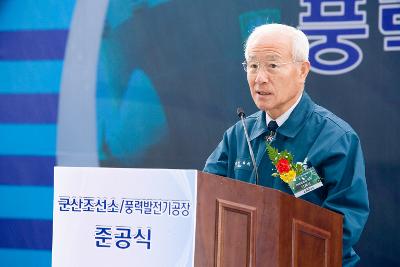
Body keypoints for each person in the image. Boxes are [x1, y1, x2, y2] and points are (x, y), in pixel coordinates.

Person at [203, 23, 369, 266]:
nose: (260, 78)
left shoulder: (336, 138)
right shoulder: (238, 134)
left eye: (272, 65)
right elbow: (206, 200)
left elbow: (345, 223)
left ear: (302, 71)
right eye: (253, 66)